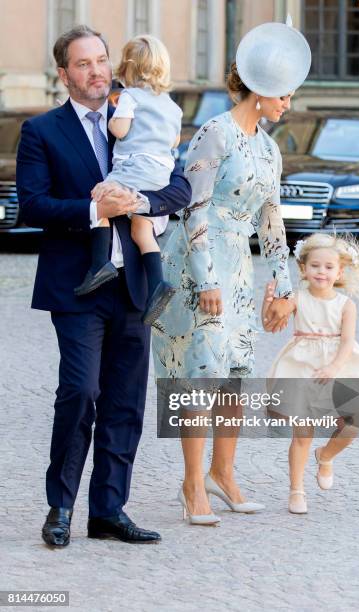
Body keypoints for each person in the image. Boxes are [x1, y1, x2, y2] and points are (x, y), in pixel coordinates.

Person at [16, 25, 191, 546]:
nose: (96, 70)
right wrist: (95, 208)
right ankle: (61, 506)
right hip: (78, 286)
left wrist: (144, 204)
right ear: (64, 74)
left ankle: (109, 509)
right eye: (84, 63)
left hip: (135, 285)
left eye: (101, 60)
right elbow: (32, 204)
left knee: (125, 400)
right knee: (81, 391)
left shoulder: (143, 111)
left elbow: (177, 184)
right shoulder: (42, 131)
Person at [152, 20, 311, 525]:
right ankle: (192, 485)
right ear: (260, 90)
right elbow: (191, 209)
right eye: (283, 94)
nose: (288, 102)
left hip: (239, 267)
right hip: (200, 265)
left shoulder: (269, 148)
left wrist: (285, 288)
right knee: (202, 374)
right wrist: (207, 280)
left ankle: (224, 473)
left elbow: (271, 221)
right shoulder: (213, 133)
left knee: (235, 377)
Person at [267, 233, 359, 514]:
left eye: (329, 267)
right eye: (315, 266)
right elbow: (270, 320)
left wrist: (333, 367)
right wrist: (269, 301)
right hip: (303, 366)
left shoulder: (346, 305)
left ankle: (326, 455)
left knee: (352, 424)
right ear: (304, 269)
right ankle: (296, 490)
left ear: (340, 271)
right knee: (302, 433)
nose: (322, 272)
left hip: (337, 365)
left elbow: (347, 342)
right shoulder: (297, 298)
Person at [75, 35, 182, 325]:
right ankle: (158, 284)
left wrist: (112, 123)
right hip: (159, 173)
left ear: (129, 67)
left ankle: (100, 263)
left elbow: (121, 130)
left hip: (134, 168)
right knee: (141, 229)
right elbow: (174, 140)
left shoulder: (131, 97)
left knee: (98, 200)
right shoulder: (172, 106)